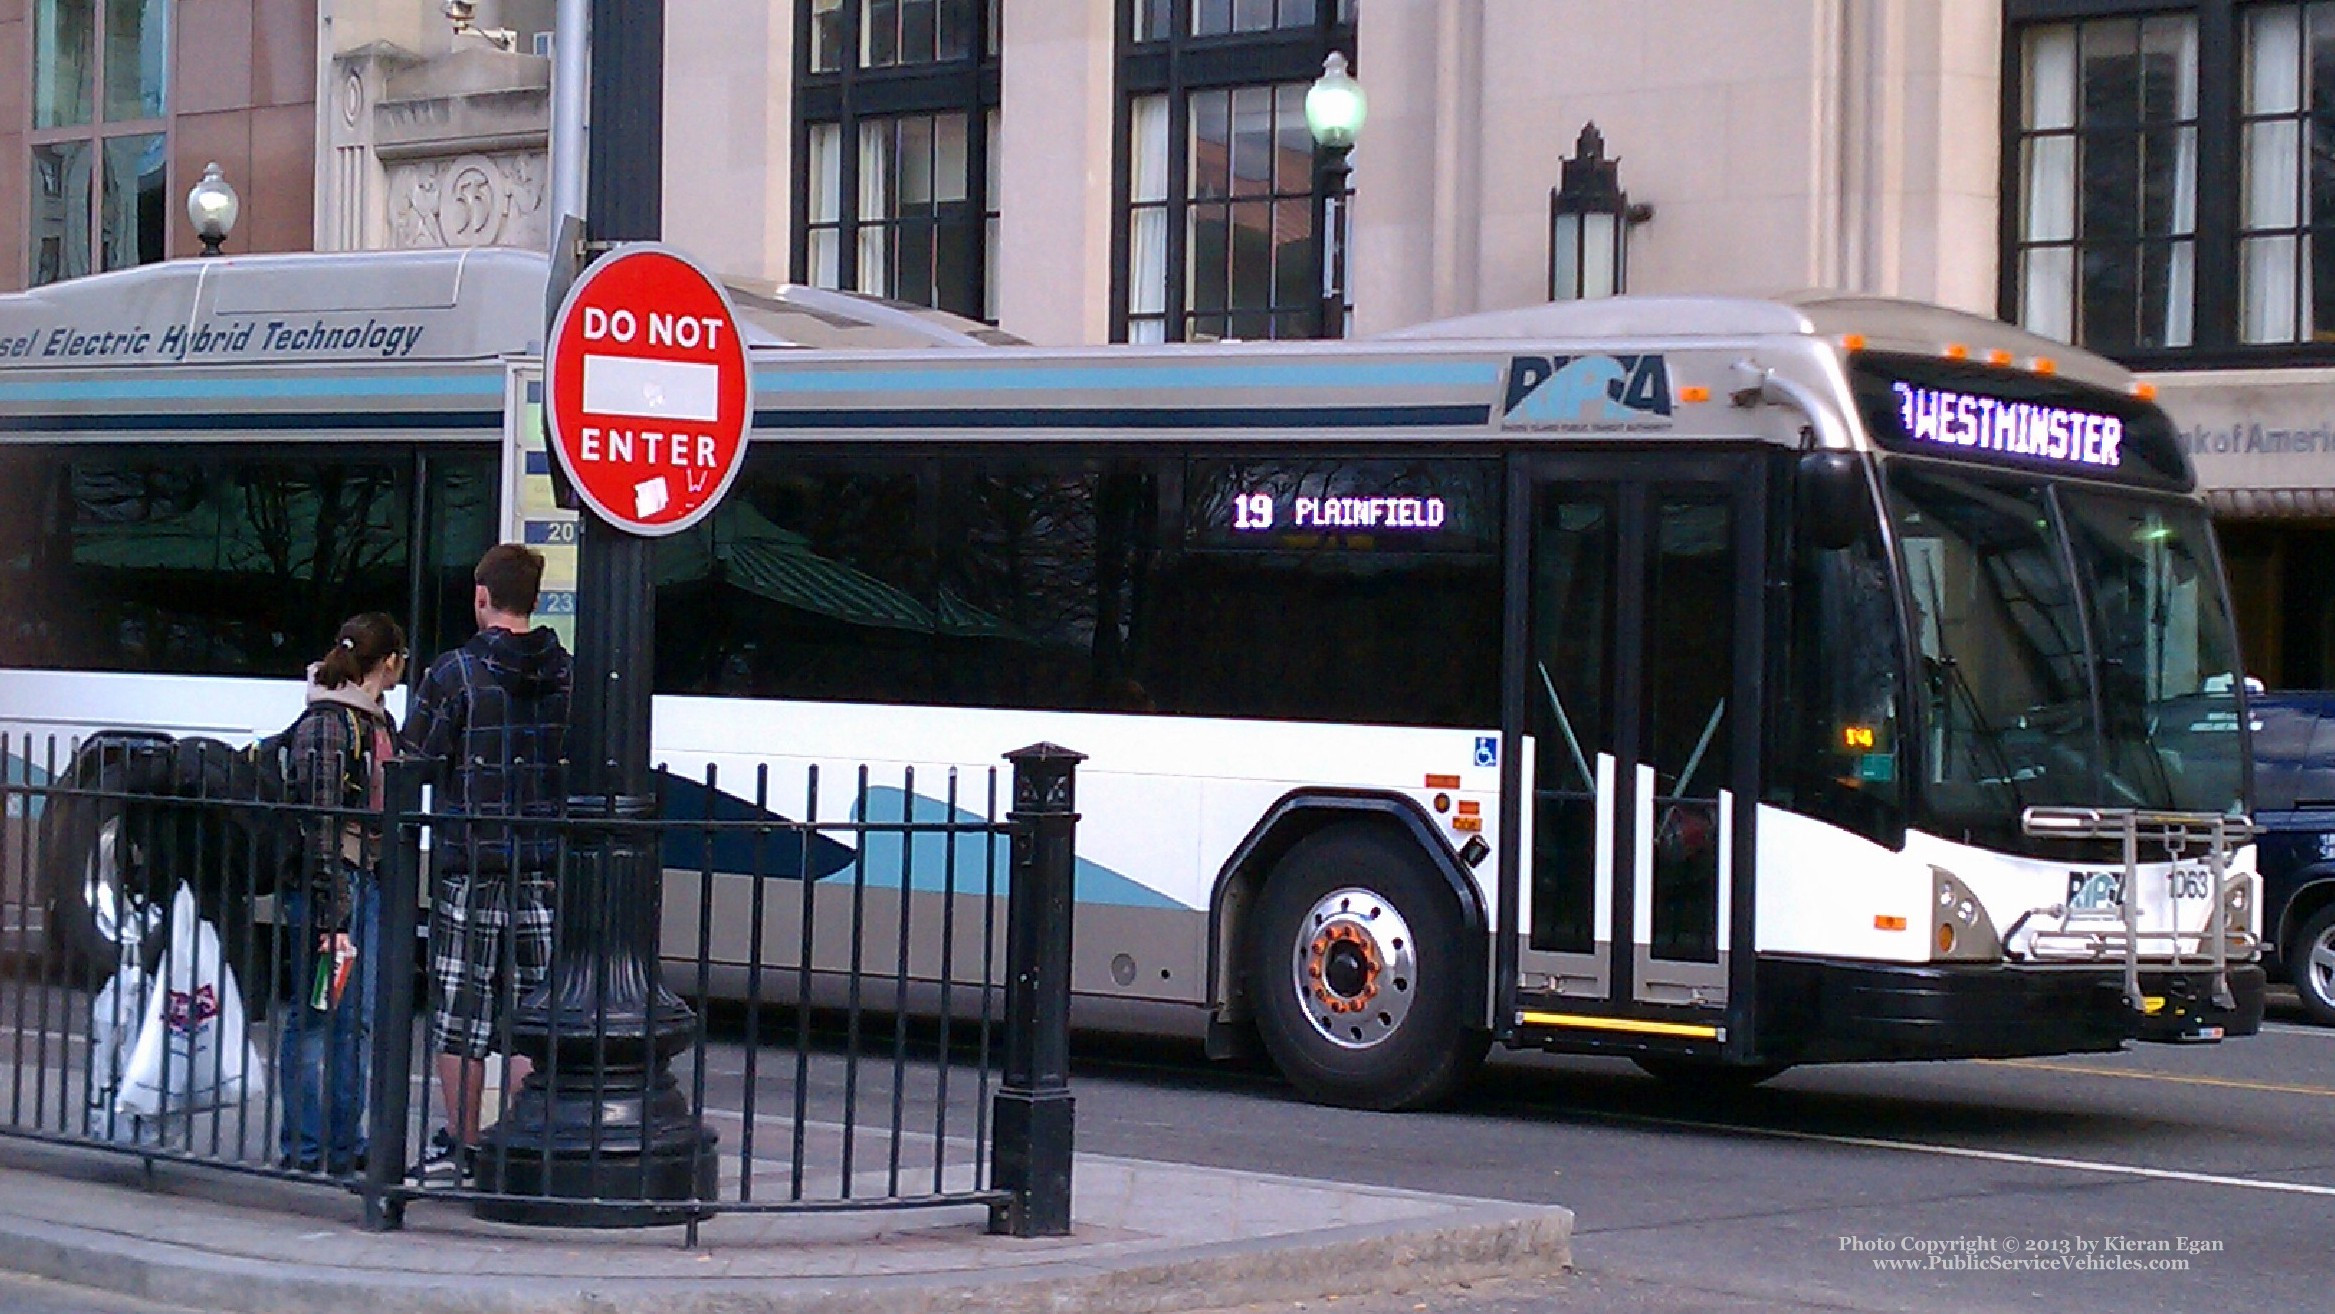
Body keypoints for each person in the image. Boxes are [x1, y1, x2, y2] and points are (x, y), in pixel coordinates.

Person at [401, 544, 572, 1185]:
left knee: (461, 1014)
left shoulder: (455, 673)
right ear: (535, 598)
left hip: (471, 864)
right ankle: (523, 1144)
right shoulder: (568, 674)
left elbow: (414, 760)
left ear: (481, 594)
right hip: (544, 865)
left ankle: (465, 1148)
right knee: (535, 1012)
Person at [278, 612, 406, 1176]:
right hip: (333, 889)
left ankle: (341, 1144)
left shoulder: (377, 721)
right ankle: (307, 1149)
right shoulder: (329, 723)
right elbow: (319, 822)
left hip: (365, 884)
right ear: (390, 662)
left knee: (352, 1018)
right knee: (316, 1016)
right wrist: (334, 908)